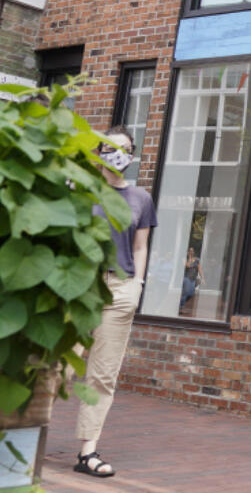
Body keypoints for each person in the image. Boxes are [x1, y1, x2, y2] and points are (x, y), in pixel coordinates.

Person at [75, 127, 157, 478]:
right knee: (56, 367)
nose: (119, 154)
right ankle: (26, 434)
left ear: (133, 155)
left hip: (119, 289)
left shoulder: (141, 198)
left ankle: (87, 452)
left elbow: (140, 246)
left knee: (103, 375)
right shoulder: (81, 189)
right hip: (79, 287)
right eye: (112, 148)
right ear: (100, 152)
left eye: (126, 149)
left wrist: (137, 284)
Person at [180, 246, 203, 312]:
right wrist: (189, 258)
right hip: (186, 278)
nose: (191, 252)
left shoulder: (197, 260)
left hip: (193, 279)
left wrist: (202, 278)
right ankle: (181, 306)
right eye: (190, 251)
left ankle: (181, 303)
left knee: (191, 294)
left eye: (192, 251)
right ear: (187, 252)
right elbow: (187, 266)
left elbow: (199, 269)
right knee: (185, 292)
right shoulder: (184, 259)